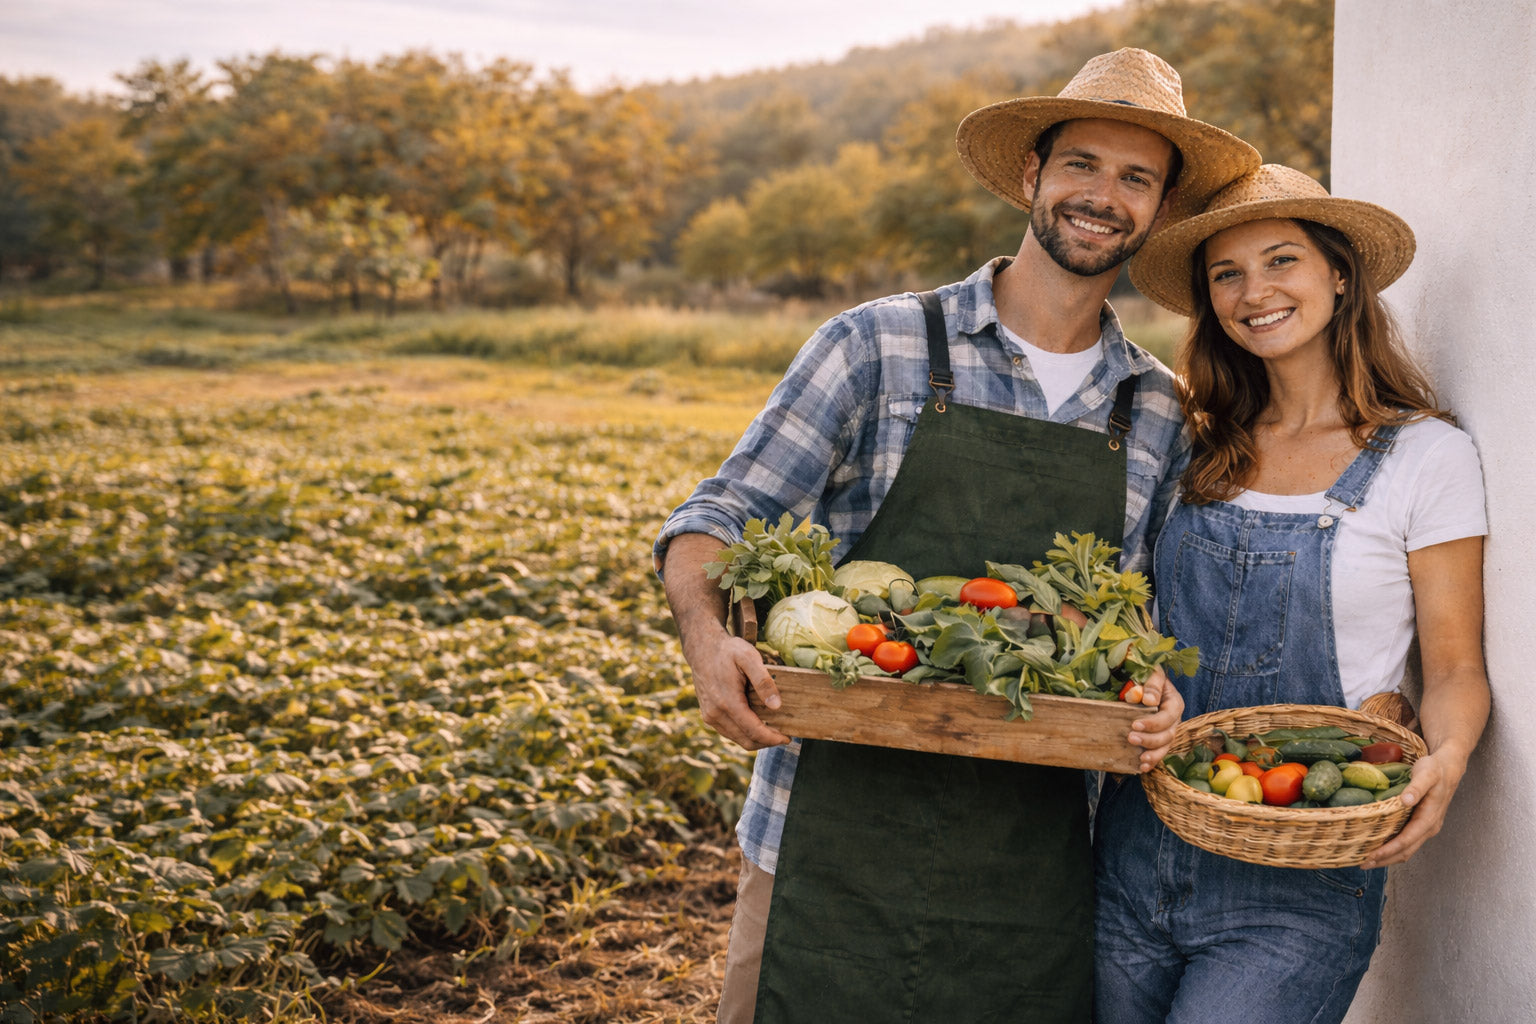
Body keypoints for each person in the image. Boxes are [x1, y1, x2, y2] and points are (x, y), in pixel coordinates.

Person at [654, 48, 1260, 1024]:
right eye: (1082, 165)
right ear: (1032, 175)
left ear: (1158, 209)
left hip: (1033, 857)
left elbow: (1135, 619)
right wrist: (705, 636)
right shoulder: (877, 346)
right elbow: (716, 519)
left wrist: (1153, 689)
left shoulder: (1155, 411)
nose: (1103, 195)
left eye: (1136, 178)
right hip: (832, 830)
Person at [1093, 164, 1493, 1024]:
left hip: (1303, 885)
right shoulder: (1196, 444)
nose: (1254, 292)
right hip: (1135, 845)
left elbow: (1457, 665)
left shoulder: (1427, 458)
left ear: (1338, 275)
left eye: (1281, 261)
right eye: (1226, 275)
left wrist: (1445, 764)